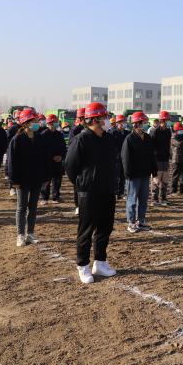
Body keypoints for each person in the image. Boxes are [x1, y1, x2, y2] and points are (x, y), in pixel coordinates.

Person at [65, 102, 117, 284]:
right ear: (95, 119)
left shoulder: (108, 139)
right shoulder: (81, 139)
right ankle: (83, 265)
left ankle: (100, 262)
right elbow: (70, 166)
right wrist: (82, 183)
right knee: (86, 230)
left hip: (107, 190)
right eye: (104, 117)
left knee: (105, 228)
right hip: (88, 192)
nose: (107, 120)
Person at [7, 109, 47, 246]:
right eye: (34, 121)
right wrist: (14, 180)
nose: (37, 123)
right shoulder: (17, 139)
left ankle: (30, 233)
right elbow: (11, 162)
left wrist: (44, 176)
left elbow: (43, 159)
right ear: (26, 123)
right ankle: (20, 235)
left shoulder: (40, 138)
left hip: (36, 178)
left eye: (37, 120)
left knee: (33, 207)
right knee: (21, 207)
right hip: (22, 179)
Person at [121, 112, 157, 233]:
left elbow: (151, 155)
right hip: (133, 175)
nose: (145, 124)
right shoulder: (129, 139)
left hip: (145, 174)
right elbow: (125, 158)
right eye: (143, 122)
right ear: (136, 124)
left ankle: (141, 221)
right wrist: (128, 173)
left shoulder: (147, 138)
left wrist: (154, 171)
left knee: (143, 199)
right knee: (132, 200)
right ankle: (131, 222)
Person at [38, 114, 67, 205]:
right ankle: (44, 198)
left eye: (56, 122)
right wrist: (52, 157)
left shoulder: (59, 134)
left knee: (57, 180)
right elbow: (41, 150)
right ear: (49, 123)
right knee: (46, 181)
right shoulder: (43, 135)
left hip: (58, 161)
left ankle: (56, 196)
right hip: (47, 162)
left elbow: (63, 147)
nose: (56, 123)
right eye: (54, 122)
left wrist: (61, 156)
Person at [150, 111, 172, 206]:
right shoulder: (155, 131)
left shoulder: (168, 131)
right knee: (156, 179)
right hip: (157, 159)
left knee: (165, 179)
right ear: (162, 120)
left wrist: (169, 155)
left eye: (167, 120)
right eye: (166, 120)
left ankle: (163, 198)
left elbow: (168, 144)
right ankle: (154, 199)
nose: (167, 122)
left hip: (165, 158)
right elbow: (151, 146)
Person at [108, 114, 128, 199]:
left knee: (123, 176)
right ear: (117, 123)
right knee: (115, 175)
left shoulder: (127, 133)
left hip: (124, 157)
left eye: (123, 122)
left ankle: (121, 192)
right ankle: (115, 192)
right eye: (120, 122)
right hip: (115, 158)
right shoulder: (112, 133)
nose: (122, 123)